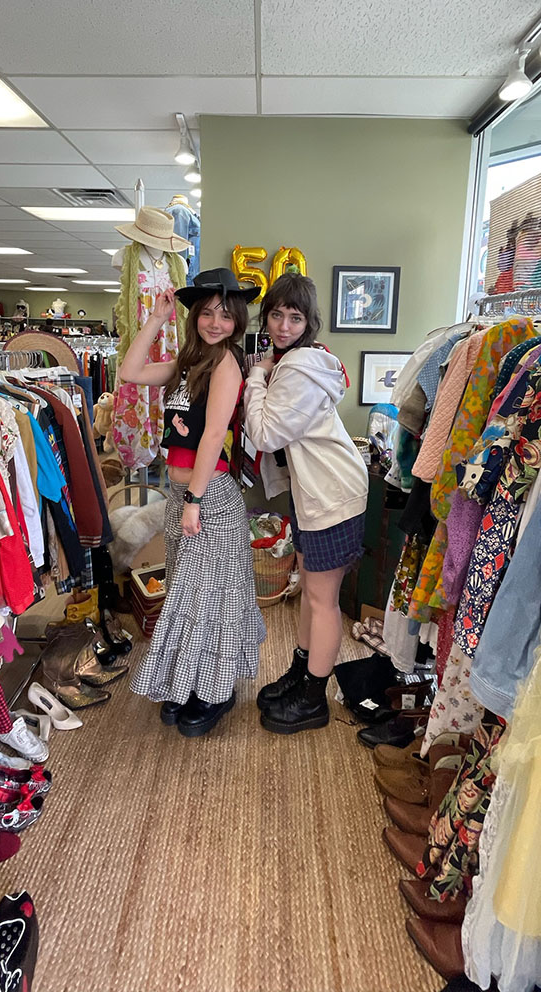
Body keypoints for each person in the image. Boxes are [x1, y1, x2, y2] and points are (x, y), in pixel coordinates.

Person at [125, 268, 266, 737]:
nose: (215, 323)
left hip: (209, 495)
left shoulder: (227, 362)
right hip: (179, 491)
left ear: (238, 320)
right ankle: (191, 681)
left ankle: (215, 690)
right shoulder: (189, 362)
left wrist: (194, 499)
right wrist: (156, 319)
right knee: (189, 593)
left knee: (209, 596)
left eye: (225, 315)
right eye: (206, 313)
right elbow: (129, 371)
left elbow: (212, 436)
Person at [244, 273, 368, 734]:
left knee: (322, 599)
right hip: (319, 491)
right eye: (276, 314)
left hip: (332, 495)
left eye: (294, 317)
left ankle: (315, 696)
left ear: (308, 322)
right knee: (310, 596)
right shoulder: (295, 362)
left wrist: (255, 377)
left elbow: (266, 432)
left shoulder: (296, 368)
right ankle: (302, 673)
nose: (282, 325)